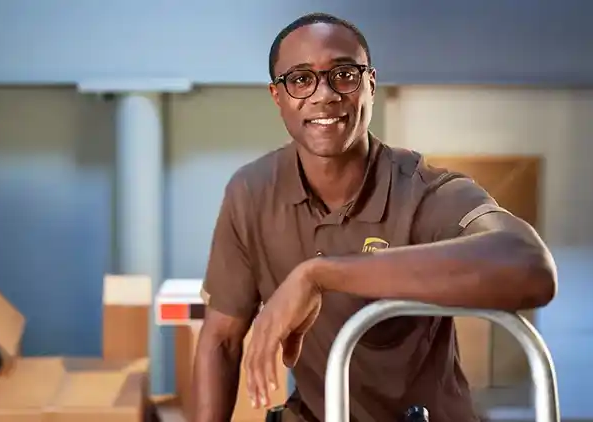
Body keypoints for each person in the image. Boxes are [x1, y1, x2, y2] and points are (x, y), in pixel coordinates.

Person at [192, 12, 557, 422]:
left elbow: (530, 266)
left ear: (370, 84)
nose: (324, 94)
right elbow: (221, 339)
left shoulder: (423, 191)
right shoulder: (251, 193)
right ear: (278, 97)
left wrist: (319, 274)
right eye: (300, 79)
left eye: (344, 74)